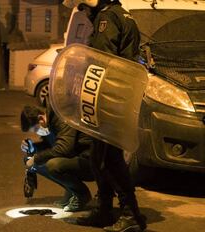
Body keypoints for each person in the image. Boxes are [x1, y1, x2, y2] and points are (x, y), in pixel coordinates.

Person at [62, 0, 147, 231]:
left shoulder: (107, 18)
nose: (84, 13)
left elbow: (103, 62)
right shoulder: (123, 14)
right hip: (119, 94)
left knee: (109, 159)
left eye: (84, 8)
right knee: (100, 156)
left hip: (107, 96)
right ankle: (104, 210)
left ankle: (130, 214)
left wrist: (89, 97)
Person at [20, 102, 94, 212]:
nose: (37, 132)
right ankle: (71, 189)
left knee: (53, 165)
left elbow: (64, 148)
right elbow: (52, 146)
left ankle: (81, 195)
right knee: (31, 161)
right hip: (76, 156)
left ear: (41, 118)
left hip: (91, 161)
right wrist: (31, 146)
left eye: (36, 129)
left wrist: (36, 158)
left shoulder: (62, 117)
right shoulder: (51, 120)